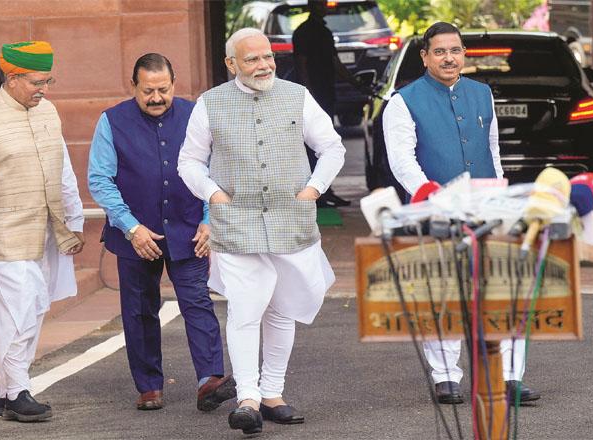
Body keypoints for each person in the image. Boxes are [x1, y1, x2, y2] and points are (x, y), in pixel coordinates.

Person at [178, 28, 343, 435]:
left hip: (291, 220)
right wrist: (213, 194)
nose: (264, 65)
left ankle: (273, 394)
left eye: (267, 56)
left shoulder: (297, 96)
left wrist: (313, 190)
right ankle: (247, 399)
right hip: (237, 223)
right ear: (231, 64)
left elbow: (332, 147)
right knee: (245, 309)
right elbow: (189, 162)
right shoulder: (210, 104)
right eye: (252, 59)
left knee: (283, 309)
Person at [382, 22, 541, 405]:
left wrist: (503, 197)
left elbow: (493, 152)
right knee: (443, 294)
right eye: (439, 51)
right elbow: (402, 162)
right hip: (433, 209)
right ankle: (446, 376)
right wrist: (430, 195)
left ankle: (508, 376)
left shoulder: (482, 94)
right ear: (424, 56)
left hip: (487, 207)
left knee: (501, 290)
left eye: (455, 50)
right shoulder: (403, 101)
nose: (449, 58)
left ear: (464, 53)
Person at [87, 53, 235, 412]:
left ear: (175, 83)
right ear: (133, 86)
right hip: (133, 234)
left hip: (189, 228)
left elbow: (214, 169)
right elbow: (100, 179)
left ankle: (210, 380)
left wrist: (209, 219)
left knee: (198, 303)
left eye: (163, 90)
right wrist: (131, 227)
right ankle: (149, 386)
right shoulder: (111, 121)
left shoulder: (195, 114)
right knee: (139, 311)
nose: (156, 97)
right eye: (148, 90)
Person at [0, 41, 85, 422]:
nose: (44, 89)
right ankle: (19, 389)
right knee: (22, 307)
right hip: (1, 232)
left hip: (45, 229)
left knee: (28, 309)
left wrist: (74, 220)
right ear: (12, 79)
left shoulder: (49, 111)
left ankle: (4, 392)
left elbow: (62, 170)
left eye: (49, 80)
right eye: (36, 82)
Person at [292, 0, 360, 208]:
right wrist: (308, 92)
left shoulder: (324, 31)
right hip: (314, 95)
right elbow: (301, 63)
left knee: (326, 144)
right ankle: (315, 191)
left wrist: (354, 82)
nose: (324, 7)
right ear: (312, 6)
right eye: (320, 4)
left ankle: (325, 190)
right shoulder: (303, 32)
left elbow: (334, 61)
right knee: (311, 144)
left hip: (326, 92)